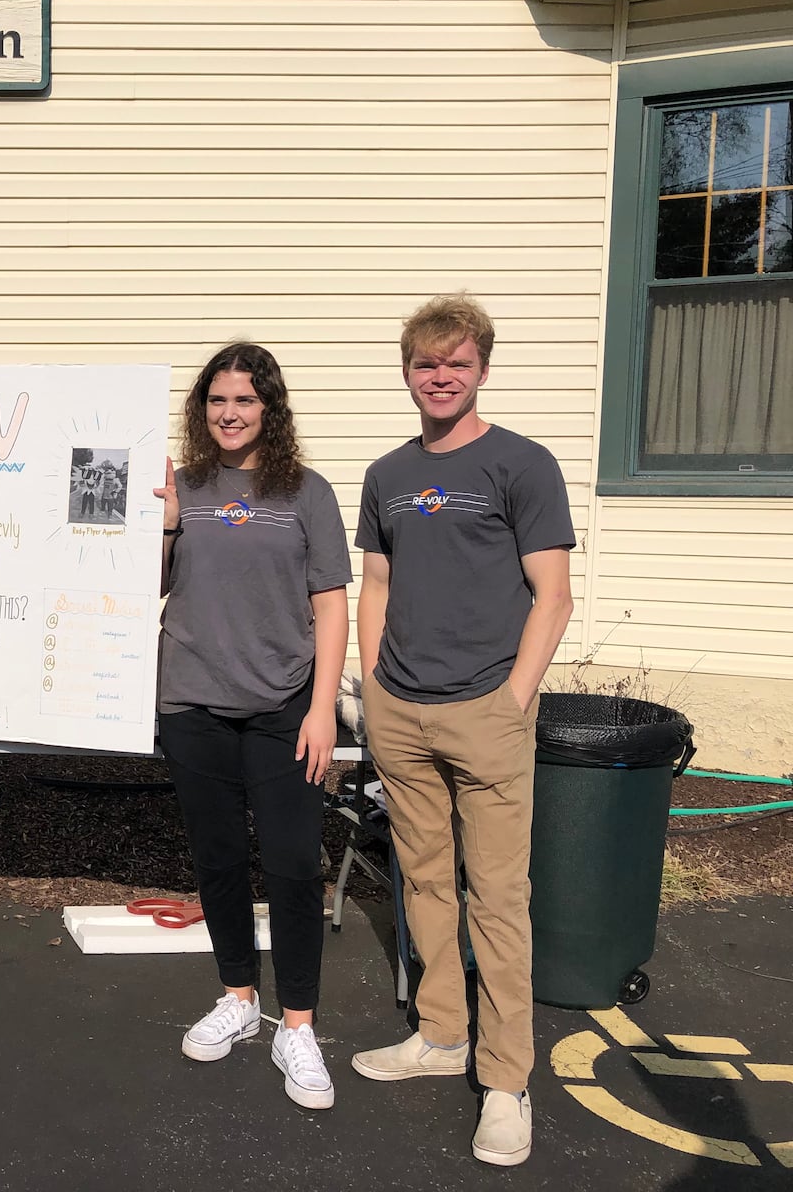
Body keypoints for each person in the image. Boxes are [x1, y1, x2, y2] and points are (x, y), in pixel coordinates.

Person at [350, 294, 574, 1165]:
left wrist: (513, 700)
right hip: (401, 710)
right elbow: (375, 583)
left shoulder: (522, 464)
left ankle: (508, 1081)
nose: (441, 376)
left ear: (482, 368)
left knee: (500, 901)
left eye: (457, 363)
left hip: (487, 709)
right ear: (406, 372)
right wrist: (371, 688)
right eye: (425, 364)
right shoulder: (387, 475)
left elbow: (551, 596)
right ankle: (442, 1037)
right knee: (425, 887)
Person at [154, 341, 351, 1109]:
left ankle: (296, 1025)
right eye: (217, 401)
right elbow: (151, 586)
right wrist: (167, 525)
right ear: (202, 410)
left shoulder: (306, 491)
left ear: (270, 408)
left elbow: (331, 602)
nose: (229, 414)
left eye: (245, 400)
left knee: (296, 863)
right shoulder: (185, 486)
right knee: (219, 859)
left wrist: (322, 707)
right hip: (193, 702)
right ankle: (238, 997)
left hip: (283, 709)